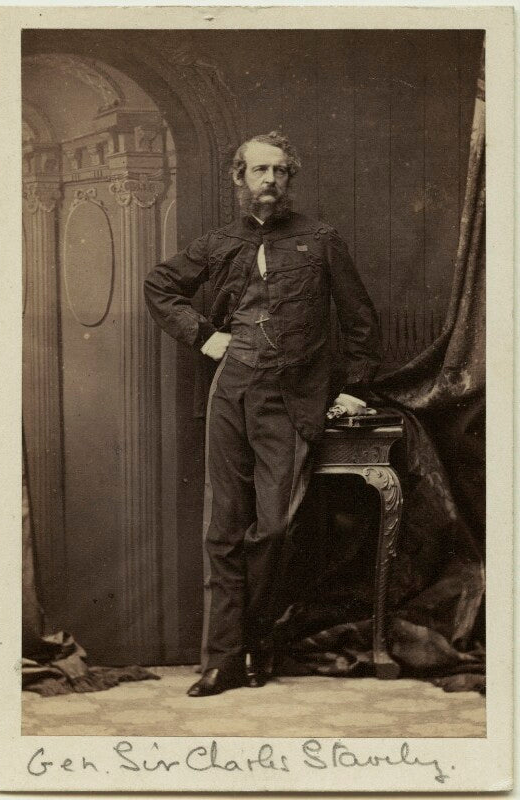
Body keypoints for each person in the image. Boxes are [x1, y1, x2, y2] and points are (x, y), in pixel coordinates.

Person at [144, 131, 381, 696]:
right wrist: (205, 337)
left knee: (274, 528)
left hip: (293, 397)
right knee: (223, 528)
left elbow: (360, 322)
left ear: (289, 178)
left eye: (279, 171)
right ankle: (223, 660)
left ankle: (256, 642)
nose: (269, 180)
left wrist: (354, 389)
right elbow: (160, 286)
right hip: (231, 391)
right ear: (239, 178)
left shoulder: (320, 240)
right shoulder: (219, 242)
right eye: (259, 170)